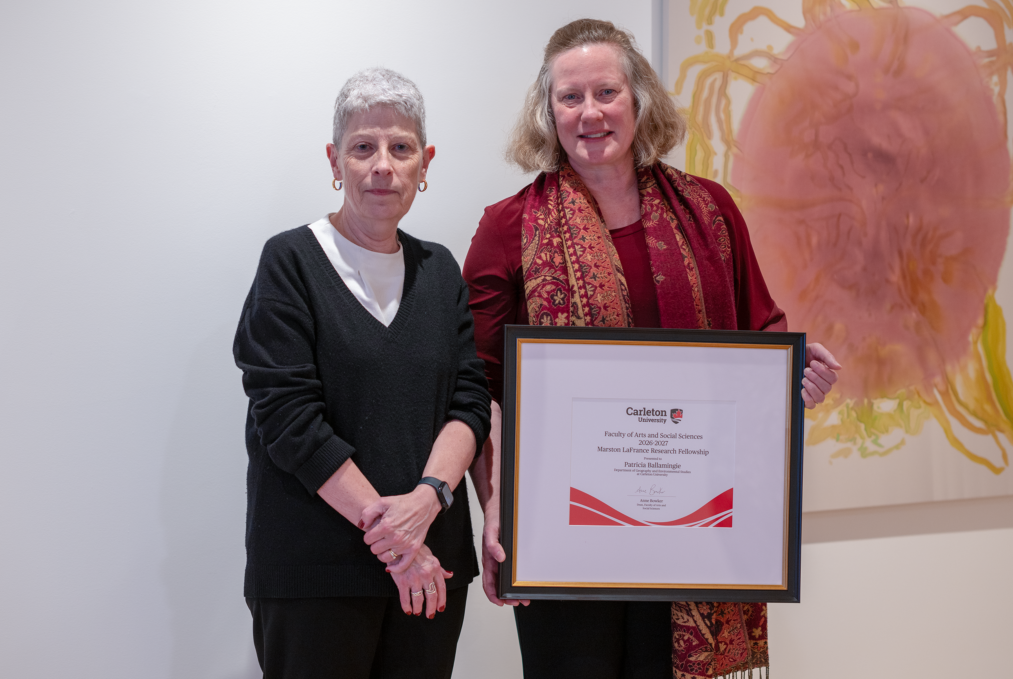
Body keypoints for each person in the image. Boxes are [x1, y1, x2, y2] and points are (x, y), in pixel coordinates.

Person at [463, 19, 842, 679]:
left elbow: (762, 343)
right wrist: (495, 505)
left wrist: (798, 377)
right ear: (547, 113)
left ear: (638, 100)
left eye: (605, 92)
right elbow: (477, 387)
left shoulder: (711, 210)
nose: (589, 113)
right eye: (569, 98)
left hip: (695, 533)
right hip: (563, 535)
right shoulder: (509, 226)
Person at [233, 67, 492, 679]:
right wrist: (399, 542)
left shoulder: (440, 269)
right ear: (334, 159)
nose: (383, 165)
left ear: (425, 163)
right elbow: (289, 419)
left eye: (401, 148)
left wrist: (429, 500)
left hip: (434, 569)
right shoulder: (289, 261)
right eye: (363, 147)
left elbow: (470, 402)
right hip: (317, 572)